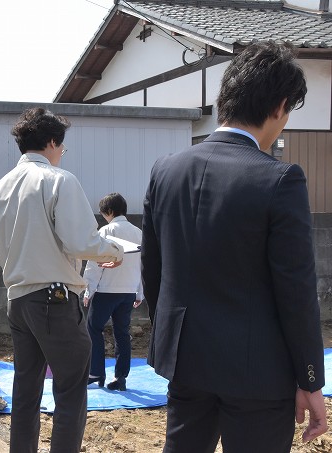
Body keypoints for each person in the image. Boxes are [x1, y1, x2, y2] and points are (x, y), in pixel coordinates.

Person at [141, 41, 328, 453]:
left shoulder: (166, 171)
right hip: (258, 373)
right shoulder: (279, 179)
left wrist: (170, 339)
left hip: (186, 361)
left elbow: (153, 271)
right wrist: (310, 379)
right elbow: (296, 291)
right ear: (280, 106)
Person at [0, 107, 123, 453]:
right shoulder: (59, 180)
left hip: (18, 298)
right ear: (51, 142)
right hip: (56, 299)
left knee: (26, 391)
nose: (62, 154)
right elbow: (81, 241)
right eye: (62, 147)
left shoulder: (0, 187)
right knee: (70, 391)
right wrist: (114, 252)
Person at [83, 193, 142, 391]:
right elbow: (143, 265)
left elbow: (95, 263)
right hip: (129, 290)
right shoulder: (138, 233)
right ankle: (121, 377)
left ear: (108, 212)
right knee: (122, 333)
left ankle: (96, 372)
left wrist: (88, 289)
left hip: (107, 290)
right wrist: (140, 292)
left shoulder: (105, 231)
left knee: (94, 328)